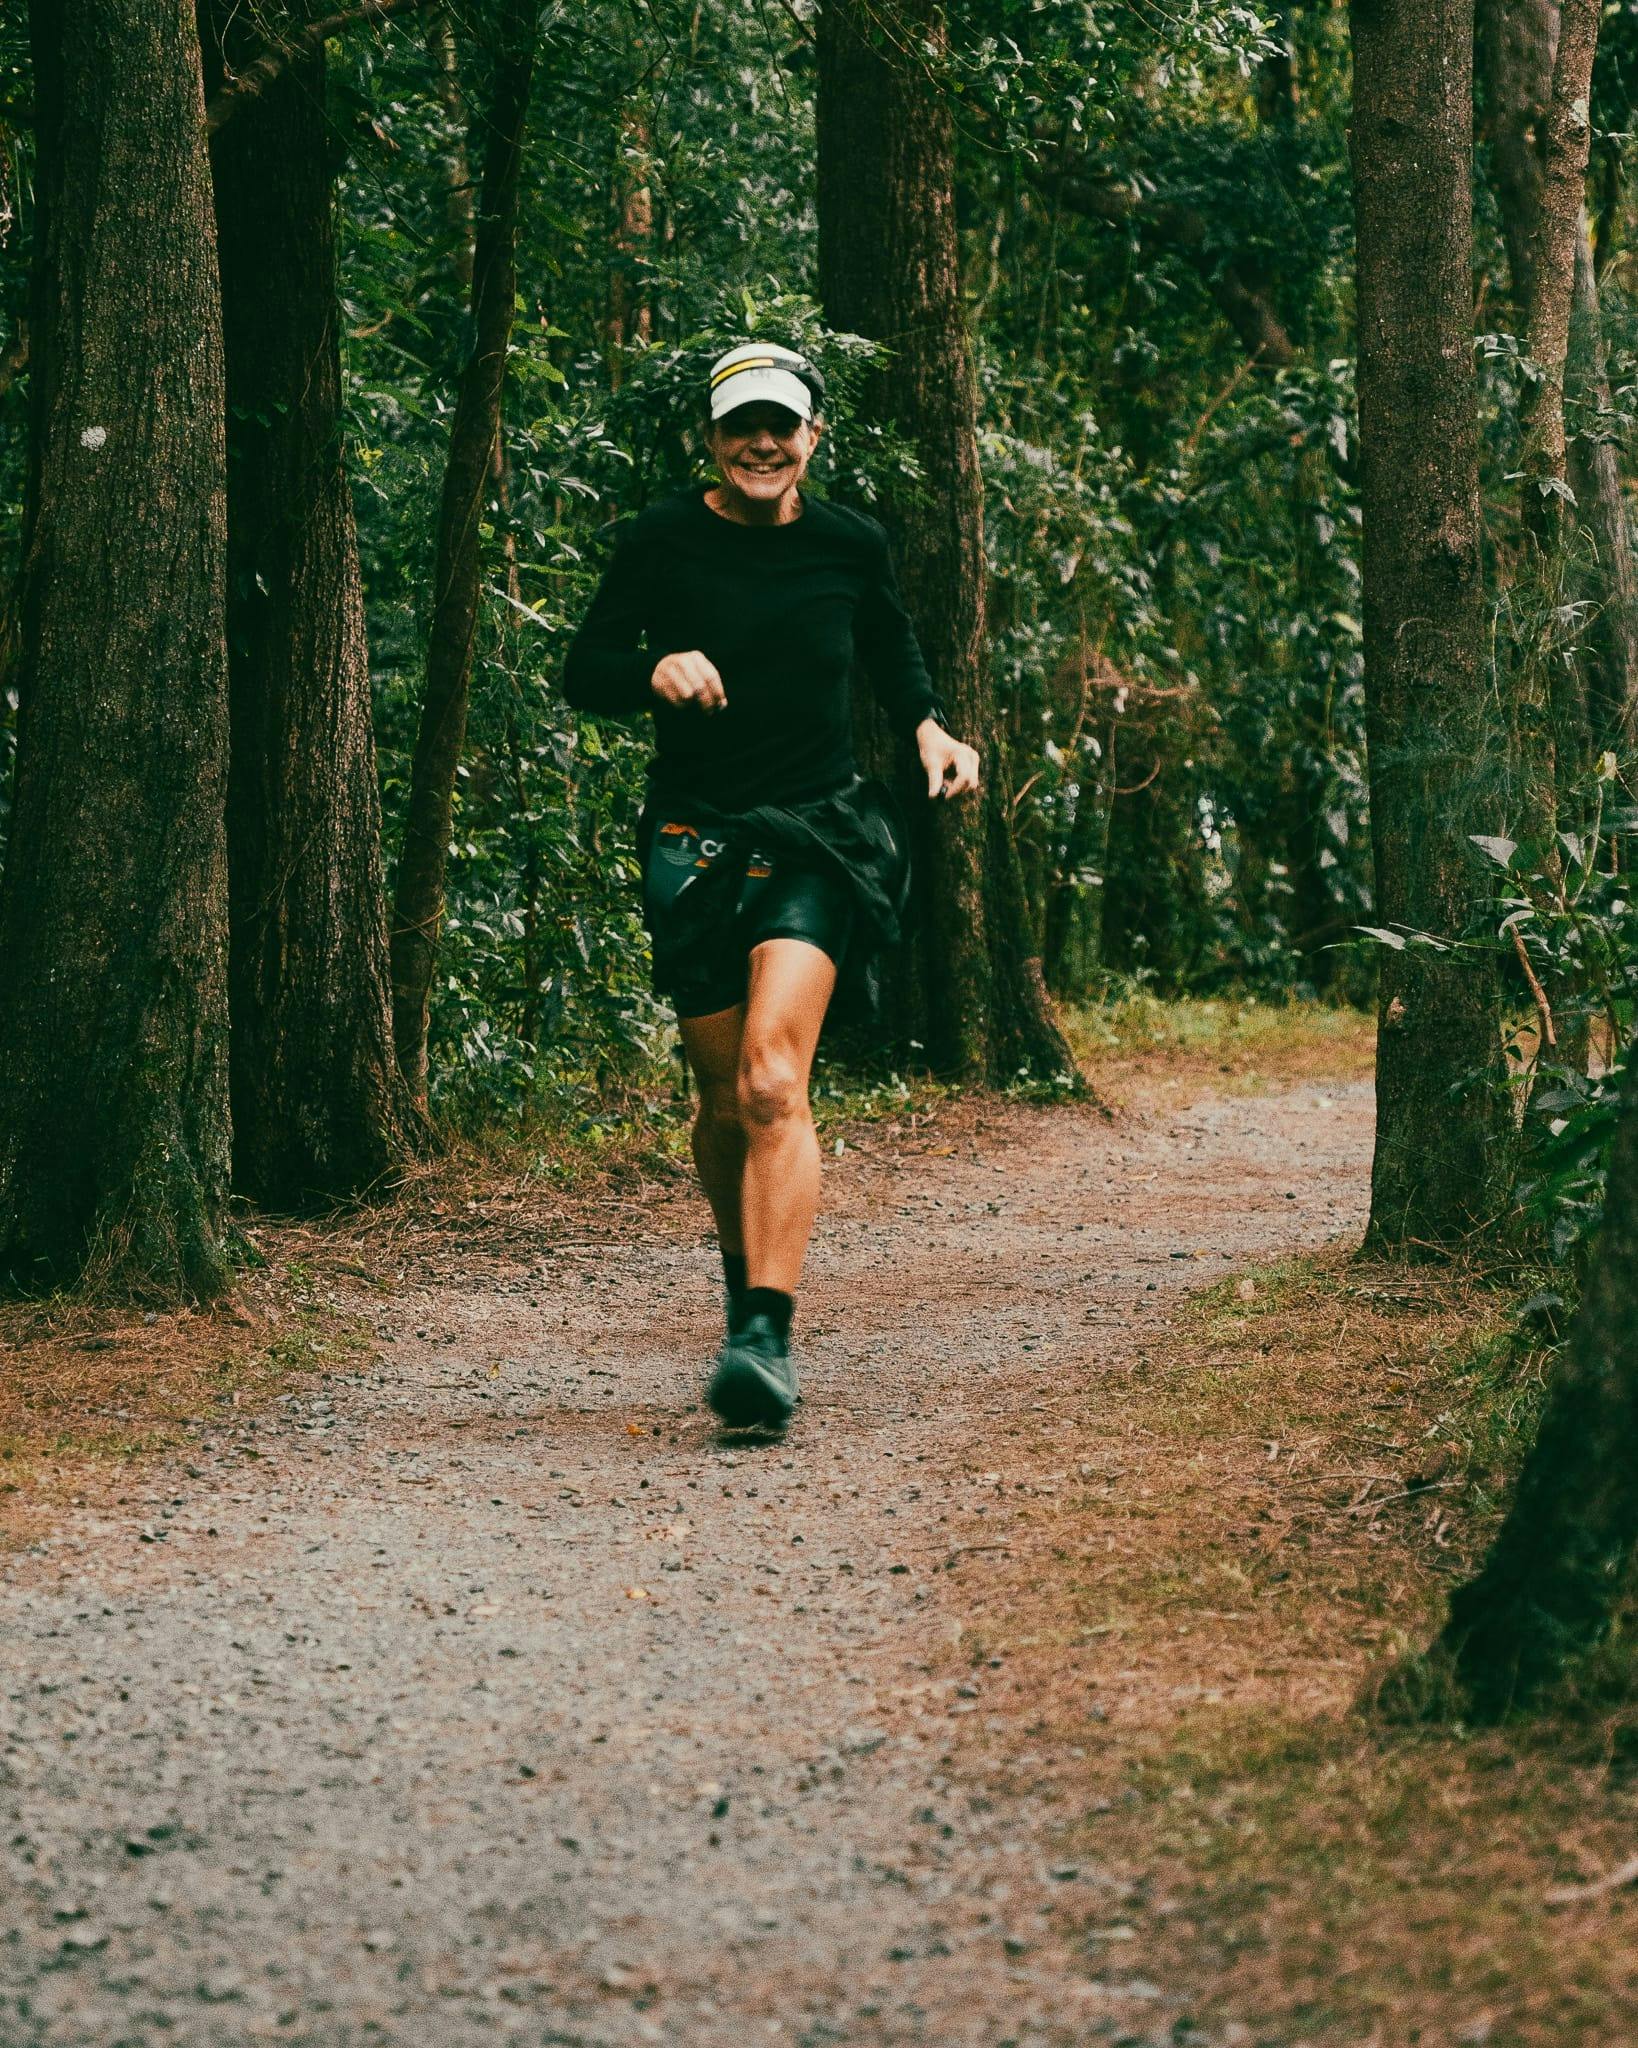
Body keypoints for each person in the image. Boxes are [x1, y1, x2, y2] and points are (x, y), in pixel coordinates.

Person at [562, 340, 980, 1429]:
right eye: (741, 425)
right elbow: (585, 668)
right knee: (718, 1102)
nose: (762, 443)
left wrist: (930, 727)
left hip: (817, 835)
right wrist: (651, 669)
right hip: (693, 839)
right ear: (711, 439)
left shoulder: (850, 542)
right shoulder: (661, 537)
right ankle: (744, 1285)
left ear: (812, 436)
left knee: (768, 1081)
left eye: (781, 425)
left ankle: (764, 1336)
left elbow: (891, 648)